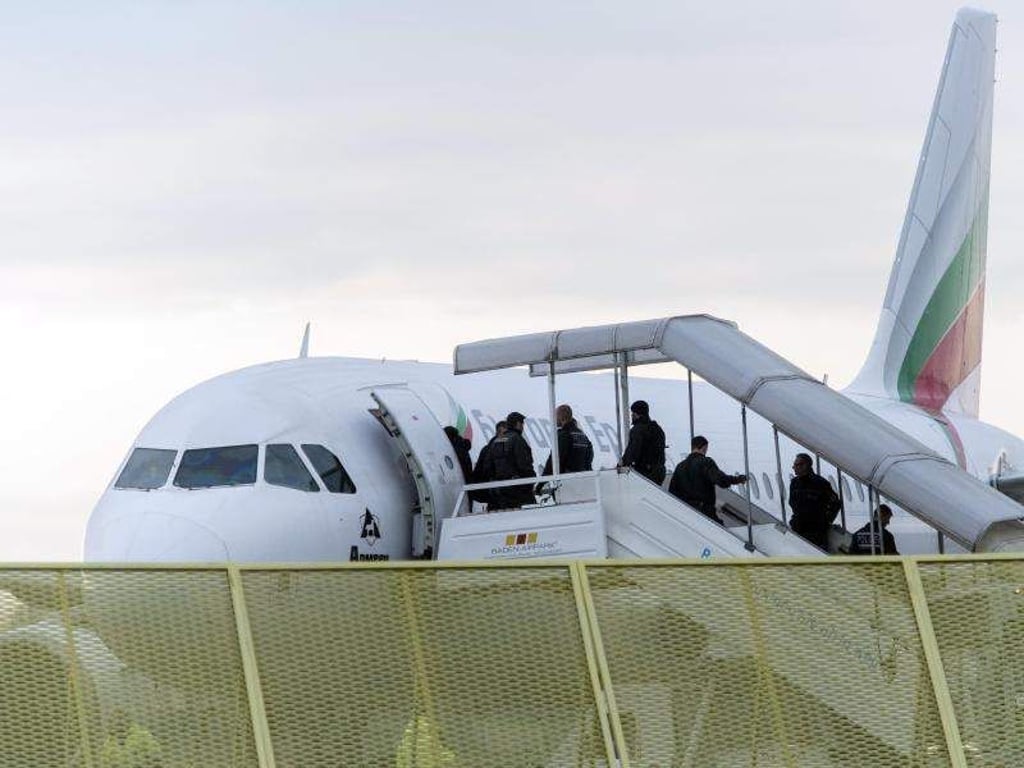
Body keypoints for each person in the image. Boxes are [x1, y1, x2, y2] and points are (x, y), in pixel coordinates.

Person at [668, 435, 747, 523]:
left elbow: (672, 491)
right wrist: (738, 479)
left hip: (686, 512)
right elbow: (721, 480)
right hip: (704, 511)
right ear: (704, 447)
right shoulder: (705, 462)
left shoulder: (680, 466)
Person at [476, 411, 536, 509]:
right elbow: (524, 465)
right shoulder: (518, 440)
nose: (523, 427)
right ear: (518, 424)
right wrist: (531, 480)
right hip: (517, 491)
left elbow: (487, 467)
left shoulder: (495, 441)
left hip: (499, 492)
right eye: (522, 424)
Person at [788, 452, 841, 550]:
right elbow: (791, 503)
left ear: (805, 466)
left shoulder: (820, 483)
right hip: (798, 528)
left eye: (796, 465)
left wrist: (826, 520)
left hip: (815, 531)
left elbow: (835, 503)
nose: (793, 467)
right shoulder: (794, 483)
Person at [619, 400, 667, 485]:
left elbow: (632, 452)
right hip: (659, 472)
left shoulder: (637, 430)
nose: (631, 415)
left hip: (644, 473)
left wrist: (621, 464)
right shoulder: (658, 429)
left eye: (632, 413)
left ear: (636, 414)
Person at [541, 405, 594, 476]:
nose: (554, 419)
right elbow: (589, 458)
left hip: (567, 481)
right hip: (582, 480)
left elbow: (553, 461)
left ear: (561, 417)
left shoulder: (564, 435)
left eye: (556, 417)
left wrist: (540, 484)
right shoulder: (583, 435)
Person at [470, 421, 506, 505]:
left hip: (491, 493)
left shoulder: (487, 449)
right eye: (505, 433)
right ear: (498, 433)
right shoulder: (493, 450)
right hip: (497, 492)